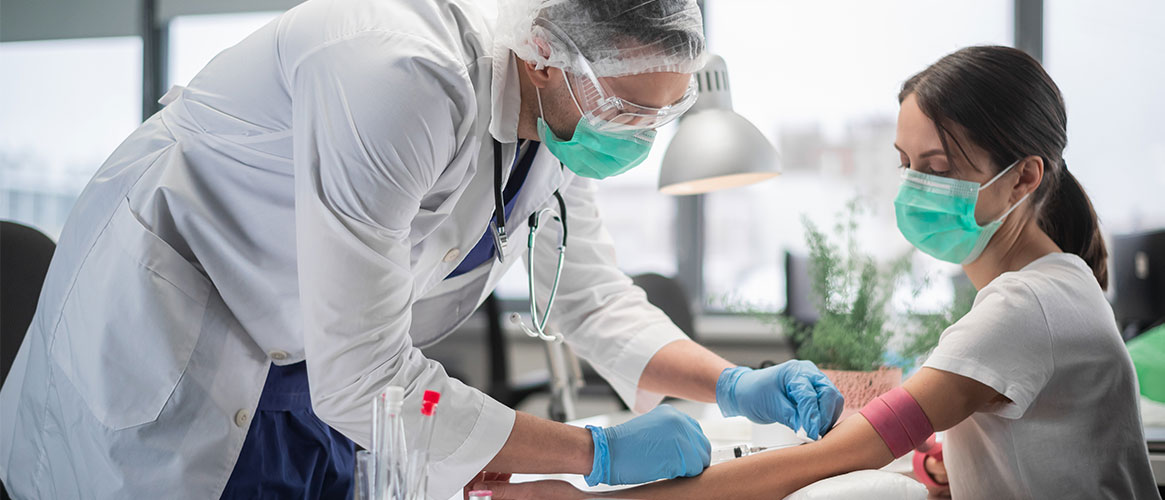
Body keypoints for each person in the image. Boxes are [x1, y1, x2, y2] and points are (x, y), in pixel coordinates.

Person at [0, 0, 844, 498]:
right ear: (546, 55)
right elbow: (364, 377)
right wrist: (598, 453)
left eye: (658, 116)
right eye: (626, 111)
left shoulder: (554, 122)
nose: (639, 138)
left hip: (308, 374)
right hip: (174, 353)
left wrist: (731, 383)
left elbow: (589, 295)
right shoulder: (394, 70)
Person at [475, 45, 1161, 500]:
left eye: (938, 169)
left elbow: (827, 460)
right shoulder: (1056, 284)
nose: (914, 187)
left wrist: (597, 496)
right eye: (905, 162)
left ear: (1023, 180)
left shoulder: (1020, 310)